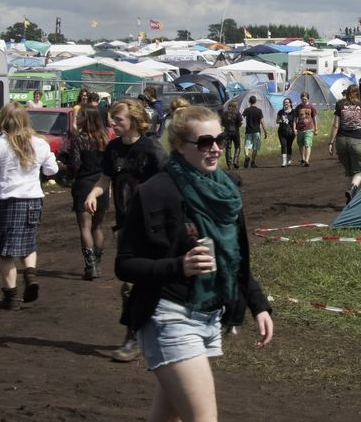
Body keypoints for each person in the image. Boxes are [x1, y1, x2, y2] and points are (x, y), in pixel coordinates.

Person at [116, 105, 273, 421]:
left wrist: (258, 304)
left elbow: (235, 257)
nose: (215, 148)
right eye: (204, 142)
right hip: (169, 316)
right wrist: (179, 265)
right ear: (178, 146)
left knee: (167, 415)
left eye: (220, 139)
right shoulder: (155, 192)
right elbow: (125, 264)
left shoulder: (226, 191)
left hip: (210, 314)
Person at [84, 98, 168, 362]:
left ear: (133, 119)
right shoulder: (113, 148)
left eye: (117, 119)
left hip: (153, 227)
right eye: (112, 118)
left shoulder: (152, 149)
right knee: (129, 285)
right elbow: (105, 179)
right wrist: (94, 193)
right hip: (125, 227)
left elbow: (170, 183)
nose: (112, 123)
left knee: (155, 283)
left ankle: (159, 333)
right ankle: (133, 338)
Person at [0, 102, 59, 309]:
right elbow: (52, 170)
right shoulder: (40, 143)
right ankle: (31, 276)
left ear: (2, 121)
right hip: (34, 200)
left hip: (9, 203)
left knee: (6, 252)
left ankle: (10, 298)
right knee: (28, 243)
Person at [66, 108, 110, 280]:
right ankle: (97, 264)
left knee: (85, 226)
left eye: (79, 116)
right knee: (97, 226)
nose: (77, 118)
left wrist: (64, 168)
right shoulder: (105, 138)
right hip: (102, 185)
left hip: (84, 184)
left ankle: (90, 266)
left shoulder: (79, 139)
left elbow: (75, 165)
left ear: (86, 119)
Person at [329, 86, 361, 202]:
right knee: (360, 169)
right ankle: (352, 188)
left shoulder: (340, 105)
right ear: (358, 94)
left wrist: (330, 142)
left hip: (341, 141)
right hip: (357, 141)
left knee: (349, 170)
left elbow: (336, 125)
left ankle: (350, 198)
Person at [241, 96, 267, 169]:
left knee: (247, 146)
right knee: (255, 147)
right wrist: (265, 131)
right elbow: (262, 122)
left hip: (248, 131)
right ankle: (253, 162)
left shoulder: (246, 110)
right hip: (256, 131)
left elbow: (241, 118)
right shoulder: (259, 110)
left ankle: (246, 156)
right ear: (255, 101)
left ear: (249, 101)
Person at [293, 92, 317, 166]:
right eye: (302, 99)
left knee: (307, 144)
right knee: (301, 144)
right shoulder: (298, 107)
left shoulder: (311, 107)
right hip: (300, 129)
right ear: (301, 99)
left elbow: (314, 118)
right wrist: (294, 129)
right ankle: (302, 159)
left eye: (305, 99)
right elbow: (295, 119)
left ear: (308, 99)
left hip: (309, 128)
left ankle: (307, 160)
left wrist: (316, 128)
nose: (304, 100)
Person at [221, 101, 243, 170]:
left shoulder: (224, 113)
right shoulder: (237, 113)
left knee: (228, 149)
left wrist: (226, 126)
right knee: (237, 147)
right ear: (235, 106)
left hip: (227, 132)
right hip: (235, 132)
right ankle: (235, 161)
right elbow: (241, 122)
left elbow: (222, 123)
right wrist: (237, 126)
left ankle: (229, 165)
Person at [276, 98, 296, 167]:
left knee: (289, 145)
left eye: (287, 102)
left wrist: (295, 130)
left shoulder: (294, 111)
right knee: (283, 145)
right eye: (285, 102)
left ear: (290, 103)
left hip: (291, 132)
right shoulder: (280, 112)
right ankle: (284, 161)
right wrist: (281, 121)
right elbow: (277, 121)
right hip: (282, 132)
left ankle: (289, 159)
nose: (286, 103)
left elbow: (295, 121)